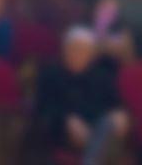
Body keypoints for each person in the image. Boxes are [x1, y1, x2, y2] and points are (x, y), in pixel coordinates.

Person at [36, 27, 130, 165]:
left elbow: (116, 105)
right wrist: (66, 121)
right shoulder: (50, 75)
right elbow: (42, 109)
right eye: (73, 49)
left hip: (98, 129)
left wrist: (120, 113)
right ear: (64, 51)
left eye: (83, 51)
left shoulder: (102, 76)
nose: (77, 54)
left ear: (91, 55)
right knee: (106, 142)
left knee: (110, 124)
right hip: (66, 134)